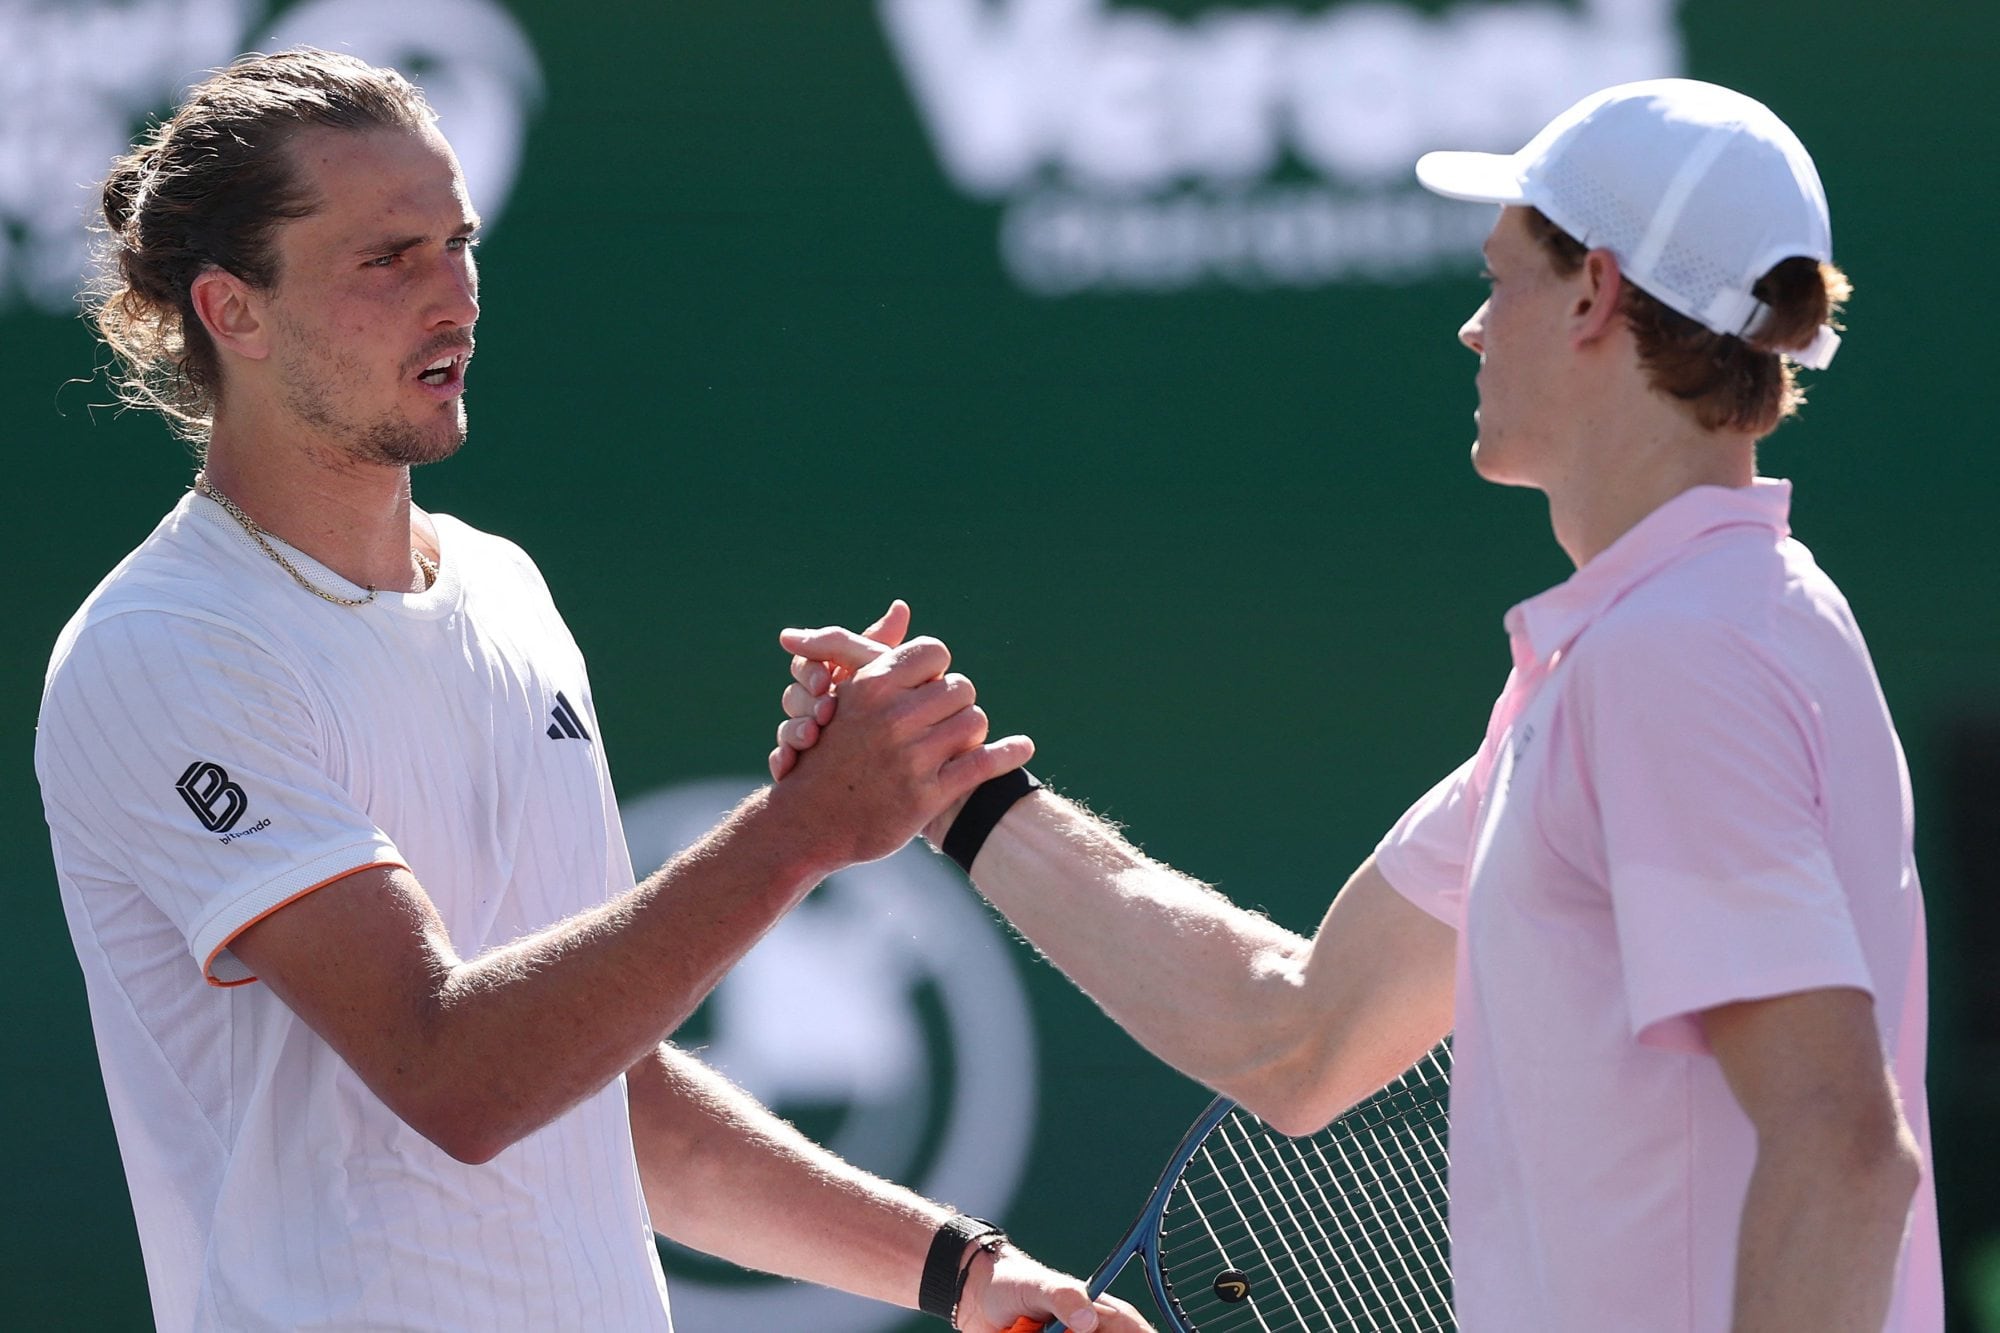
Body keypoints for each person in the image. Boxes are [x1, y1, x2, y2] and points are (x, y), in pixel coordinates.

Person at [779, 80, 1942, 1331]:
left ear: (1595, 295)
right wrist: (953, 792)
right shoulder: (1675, 638)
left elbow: (1842, 1148)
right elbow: (1295, 1033)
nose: (1472, 328)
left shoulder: (1677, 658)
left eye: (1500, 283)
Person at [34, 48, 1154, 1333]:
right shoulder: (164, 646)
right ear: (231, 309)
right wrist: (801, 830)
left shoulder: (504, 588)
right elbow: (454, 1071)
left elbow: (601, 1084)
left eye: (460, 242)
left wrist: (960, 1270)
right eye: (385, 259)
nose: (452, 295)